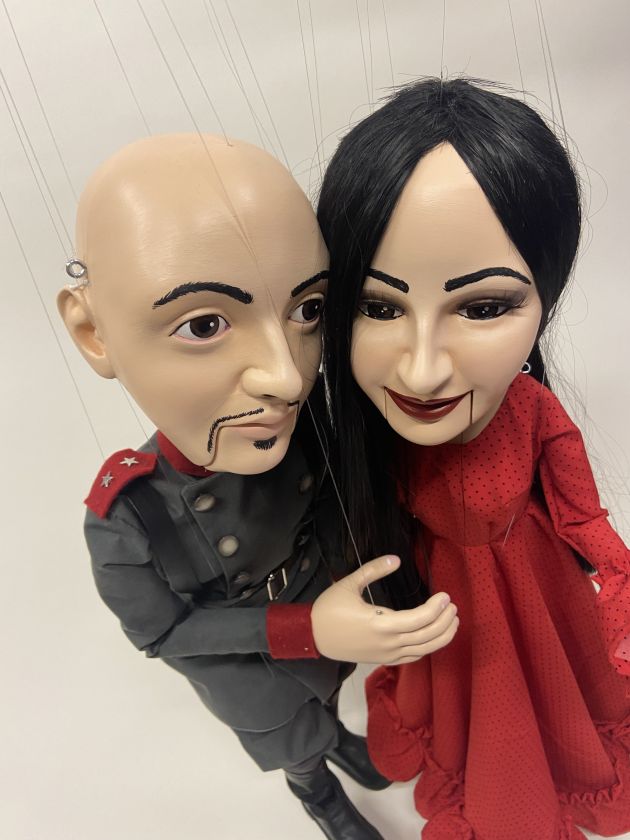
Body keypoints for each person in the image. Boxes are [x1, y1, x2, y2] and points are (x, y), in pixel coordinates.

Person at [57, 133, 459, 840]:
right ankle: (320, 797)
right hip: (250, 669)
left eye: (307, 311)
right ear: (94, 333)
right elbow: (163, 632)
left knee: (327, 699)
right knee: (293, 742)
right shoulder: (128, 515)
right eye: (205, 324)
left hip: (326, 618)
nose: (287, 376)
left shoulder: (303, 430)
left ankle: (339, 741)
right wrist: (302, 628)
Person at [318, 78, 630, 839]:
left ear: (545, 302)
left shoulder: (533, 413)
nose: (424, 371)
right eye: (379, 306)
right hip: (441, 602)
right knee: (469, 711)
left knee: (549, 701)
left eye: (484, 307)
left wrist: (619, 581)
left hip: (537, 589)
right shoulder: (368, 438)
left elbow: (581, 515)